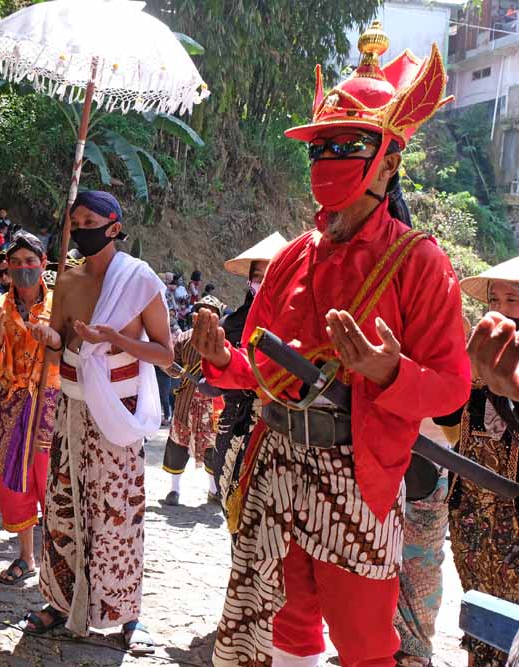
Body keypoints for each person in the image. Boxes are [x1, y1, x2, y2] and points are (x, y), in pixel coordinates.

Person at [190, 25, 470, 666]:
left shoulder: (418, 262)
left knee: (364, 641)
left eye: (347, 144)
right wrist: (216, 358)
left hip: (356, 471)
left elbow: (452, 387)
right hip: (278, 458)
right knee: (284, 623)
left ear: (389, 161)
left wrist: (390, 371)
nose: (329, 159)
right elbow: (256, 370)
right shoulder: (293, 256)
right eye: (320, 147)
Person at [22, 190, 172, 655]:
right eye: (75, 221)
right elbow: (59, 344)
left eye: (88, 220)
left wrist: (112, 339)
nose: (79, 228)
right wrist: (47, 335)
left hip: (117, 417)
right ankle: (58, 602)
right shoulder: (67, 281)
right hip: (69, 411)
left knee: (119, 513)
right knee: (63, 509)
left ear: (112, 226)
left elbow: (166, 355)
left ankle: (128, 615)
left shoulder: (140, 280)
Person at [429, 259, 519, 667]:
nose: (501, 307)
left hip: (515, 528)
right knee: (480, 628)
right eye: (494, 298)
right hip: (473, 518)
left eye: (513, 299)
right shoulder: (476, 349)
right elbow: (450, 423)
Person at [0, 231, 60, 586]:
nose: (24, 268)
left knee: (52, 479)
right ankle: (26, 556)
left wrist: (54, 343)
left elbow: (75, 356)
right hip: (10, 406)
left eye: (31, 262)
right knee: (15, 481)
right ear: (8, 269)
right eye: (16, 263)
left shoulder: (62, 306)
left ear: (43, 264)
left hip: (51, 404)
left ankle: (59, 559)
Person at [209, 232, 287, 517]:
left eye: (271, 275)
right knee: (236, 515)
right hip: (235, 426)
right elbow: (221, 375)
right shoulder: (230, 323)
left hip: (279, 428)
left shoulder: (298, 325)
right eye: (257, 276)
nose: (262, 283)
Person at [162, 294, 225, 507]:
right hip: (186, 400)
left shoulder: (222, 341)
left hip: (211, 403)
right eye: (201, 311)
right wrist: (171, 366)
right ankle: (174, 489)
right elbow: (172, 365)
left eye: (211, 312)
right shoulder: (183, 338)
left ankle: (214, 489)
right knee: (177, 444)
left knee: (212, 447)